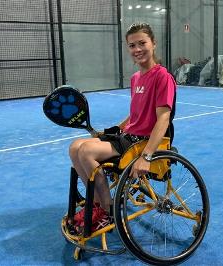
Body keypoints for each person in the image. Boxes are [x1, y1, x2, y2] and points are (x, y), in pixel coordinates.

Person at [68, 22, 176, 233]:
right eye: (132, 45)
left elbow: (163, 119)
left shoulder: (163, 77)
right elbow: (135, 114)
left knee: (86, 151)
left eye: (142, 43)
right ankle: (97, 204)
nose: (137, 49)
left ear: (153, 43)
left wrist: (146, 156)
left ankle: (107, 211)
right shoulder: (136, 78)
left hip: (143, 141)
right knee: (74, 147)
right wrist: (113, 130)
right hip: (128, 137)